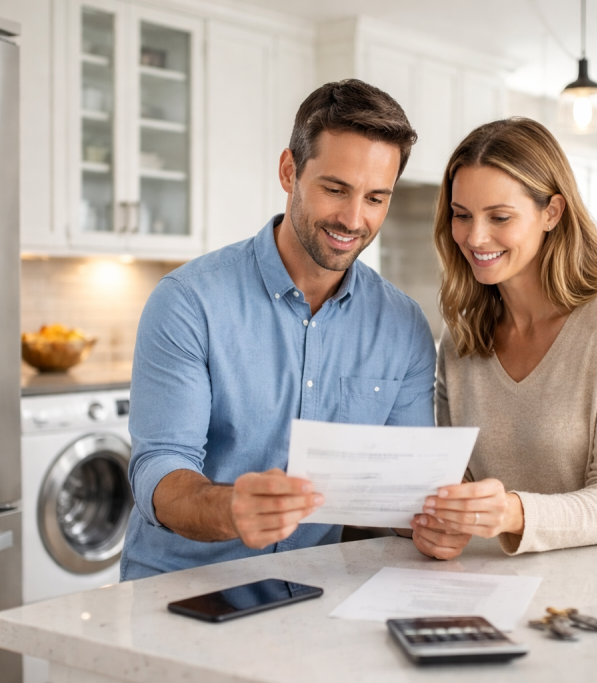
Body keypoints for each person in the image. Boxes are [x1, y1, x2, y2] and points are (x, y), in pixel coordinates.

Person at [120, 79, 437, 580]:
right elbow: (157, 468)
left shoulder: (403, 328)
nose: (354, 219)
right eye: (335, 189)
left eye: (376, 198)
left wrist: (434, 520)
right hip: (178, 588)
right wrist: (228, 508)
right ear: (289, 171)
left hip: (308, 591)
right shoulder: (188, 302)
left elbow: (401, 497)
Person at [409, 117, 597, 559]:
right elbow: (461, 481)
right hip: (532, 587)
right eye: (461, 215)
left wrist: (510, 513)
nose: (474, 237)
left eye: (499, 217)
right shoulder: (461, 337)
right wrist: (444, 525)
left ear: (552, 212)